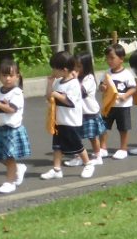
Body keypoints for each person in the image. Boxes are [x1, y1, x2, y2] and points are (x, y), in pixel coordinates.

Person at [41, 51, 96, 180]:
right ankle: (56, 169)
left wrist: (56, 94)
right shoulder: (58, 82)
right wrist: (50, 84)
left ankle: (88, 164)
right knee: (57, 146)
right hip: (59, 121)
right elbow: (49, 97)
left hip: (71, 121)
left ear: (64, 70)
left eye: (55, 69)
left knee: (77, 146)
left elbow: (69, 100)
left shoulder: (74, 84)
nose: (53, 71)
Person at [0, 58, 31, 194]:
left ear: (17, 76)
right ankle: (18, 168)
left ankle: (10, 182)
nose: (8, 78)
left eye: (11, 75)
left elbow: (12, 109)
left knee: (9, 157)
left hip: (12, 130)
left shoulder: (17, 93)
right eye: (4, 75)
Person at [102, 43, 137, 159]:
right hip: (109, 105)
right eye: (107, 58)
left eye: (112, 58)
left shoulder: (126, 74)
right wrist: (102, 87)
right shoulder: (107, 73)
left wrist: (125, 95)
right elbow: (101, 85)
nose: (109, 61)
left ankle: (123, 148)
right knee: (103, 127)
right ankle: (103, 148)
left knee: (123, 128)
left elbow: (133, 88)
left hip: (123, 106)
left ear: (121, 59)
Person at [75, 53, 107, 166]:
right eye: (75, 66)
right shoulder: (77, 79)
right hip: (78, 113)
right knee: (76, 136)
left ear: (86, 66)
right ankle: (78, 156)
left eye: (79, 66)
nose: (76, 69)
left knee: (92, 136)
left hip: (89, 112)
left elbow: (81, 92)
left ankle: (98, 156)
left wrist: (73, 79)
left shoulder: (89, 78)